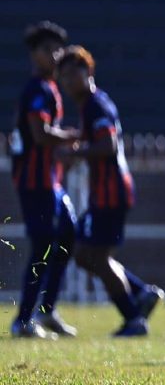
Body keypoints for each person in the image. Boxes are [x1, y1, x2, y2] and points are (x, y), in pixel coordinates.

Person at [56, 45, 164, 338]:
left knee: (93, 255)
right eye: (62, 76)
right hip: (106, 192)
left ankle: (133, 317)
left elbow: (108, 146)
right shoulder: (89, 107)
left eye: (72, 73)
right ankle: (140, 293)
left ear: (88, 71)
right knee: (84, 253)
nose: (67, 81)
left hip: (111, 192)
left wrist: (75, 154)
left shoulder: (96, 105)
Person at [9, 21, 78, 338]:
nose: (55, 55)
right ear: (34, 55)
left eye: (58, 48)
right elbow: (40, 135)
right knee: (42, 246)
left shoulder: (51, 88)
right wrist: (74, 137)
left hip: (52, 181)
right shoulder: (36, 89)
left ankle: (47, 310)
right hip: (36, 183)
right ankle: (23, 319)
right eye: (48, 49)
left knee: (67, 234)